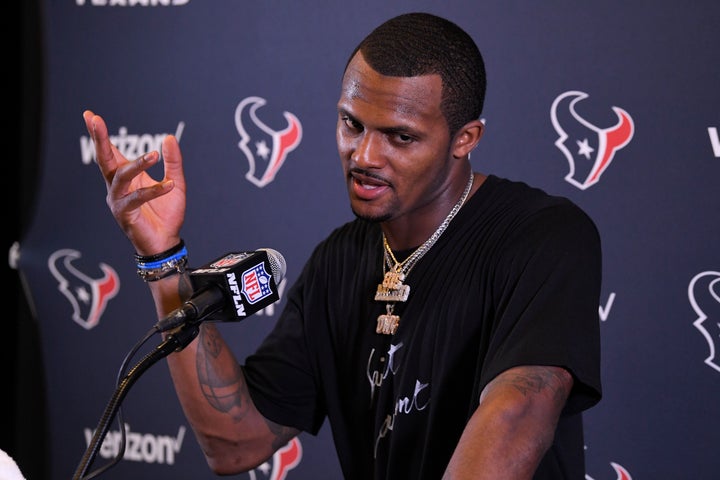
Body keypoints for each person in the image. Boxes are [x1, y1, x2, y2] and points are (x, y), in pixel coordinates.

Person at [83, 12, 601, 480]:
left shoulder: (544, 235)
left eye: (400, 137)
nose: (364, 155)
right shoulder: (340, 259)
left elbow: (516, 411)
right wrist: (164, 260)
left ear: (465, 138)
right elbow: (234, 443)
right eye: (351, 124)